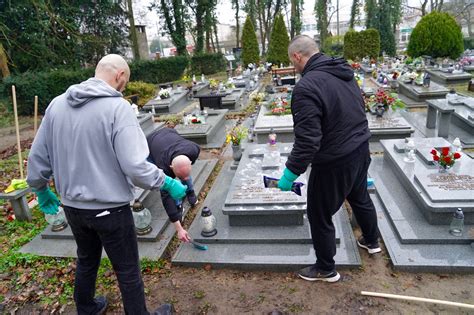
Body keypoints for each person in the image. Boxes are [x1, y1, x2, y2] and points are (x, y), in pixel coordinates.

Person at [26, 54, 184, 314]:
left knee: (87, 259)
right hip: (110, 210)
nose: (124, 87)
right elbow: (135, 166)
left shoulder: (57, 105)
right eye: (126, 81)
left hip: (73, 208)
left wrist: (40, 187)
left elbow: (38, 156)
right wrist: (165, 181)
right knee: (127, 270)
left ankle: (86, 308)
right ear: (120, 75)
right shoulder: (117, 108)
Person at [278, 35, 381, 283]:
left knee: (319, 214)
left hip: (334, 160)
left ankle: (325, 268)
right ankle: (371, 240)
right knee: (359, 197)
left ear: (297, 57)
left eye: (293, 62)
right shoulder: (344, 72)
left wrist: (289, 174)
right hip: (360, 148)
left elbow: (308, 140)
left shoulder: (307, 86)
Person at [146, 127, 201, 243]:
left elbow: (184, 168)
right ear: (171, 167)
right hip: (150, 143)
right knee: (171, 187)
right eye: (179, 177)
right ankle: (178, 205)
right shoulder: (164, 170)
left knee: (184, 174)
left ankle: (190, 194)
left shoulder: (194, 149)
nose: (184, 179)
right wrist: (179, 228)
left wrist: (183, 176)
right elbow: (166, 198)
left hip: (168, 132)